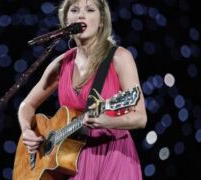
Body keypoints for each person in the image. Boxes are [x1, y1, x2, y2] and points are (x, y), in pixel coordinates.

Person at [17, 0, 147, 179]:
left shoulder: (119, 57)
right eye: (75, 10)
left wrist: (106, 122)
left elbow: (140, 118)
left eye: (90, 9)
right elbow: (27, 105)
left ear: (101, 20)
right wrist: (27, 131)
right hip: (72, 163)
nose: (81, 15)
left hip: (114, 157)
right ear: (66, 19)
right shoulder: (61, 64)